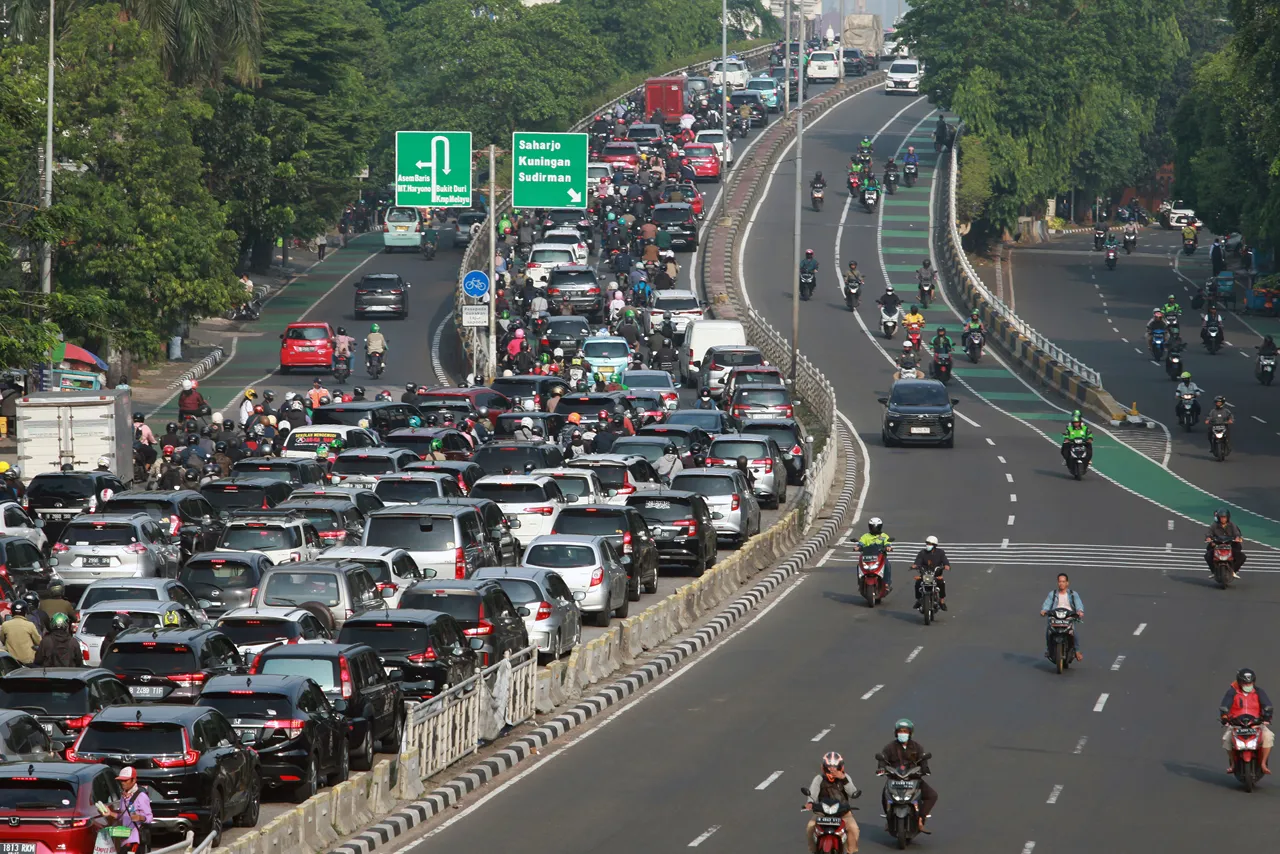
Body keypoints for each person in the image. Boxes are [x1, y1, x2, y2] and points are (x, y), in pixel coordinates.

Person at [876, 720, 937, 835]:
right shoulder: (890, 747)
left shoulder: (917, 747)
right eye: (900, 731)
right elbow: (883, 758)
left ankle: (920, 820)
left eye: (905, 731)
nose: (902, 733)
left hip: (913, 779)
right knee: (885, 796)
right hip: (895, 779)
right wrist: (881, 768)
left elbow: (923, 759)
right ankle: (889, 820)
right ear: (896, 733)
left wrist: (925, 769)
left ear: (910, 733)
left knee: (932, 795)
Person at [802, 752, 861, 854]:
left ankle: (851, 852)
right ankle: (813, 851)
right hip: (822, 813)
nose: (832, 769)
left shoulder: (845, 777)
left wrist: (843, 779)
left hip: (843, 813)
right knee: (810, 827)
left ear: (840, 767)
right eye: (829, 766)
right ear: (824, 767)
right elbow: (812, 794)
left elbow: (853, 792)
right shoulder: (819, 779)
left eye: (835, 766)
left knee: (854, 829)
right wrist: (810, 803)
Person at [1220, 668, 1273, 774]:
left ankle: (1263, 764)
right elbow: (1224, 706)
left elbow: (1267, 705)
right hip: (1237, 724)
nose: (1248, 685)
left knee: (1268, 736)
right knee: (1226, 739)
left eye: (1250, 682)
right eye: (1245, 683)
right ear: (1240, 682)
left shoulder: (1259, 692)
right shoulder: (1232, 692)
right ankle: (1233, 764)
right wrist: (1225, 718)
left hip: (1255, 724)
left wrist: (1267, 717)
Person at [104, 766, 153, 854]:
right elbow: (123, 817)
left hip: (135, 840)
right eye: (121, 780)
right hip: (125, 839)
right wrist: (110, 813)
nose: (123, 783)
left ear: (134, 780)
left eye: (125, 780)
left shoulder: (141, 796)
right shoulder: (123, 796)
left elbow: (149, 818)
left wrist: (140, 817)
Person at [1040, 572, 1083, 661]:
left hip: (1068, 617)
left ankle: (1077, 651)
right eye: (1060, 581)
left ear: (1067, 583)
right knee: (1049, 631)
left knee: (1073, 632)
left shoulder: (1073, 594)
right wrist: (1044, 610)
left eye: (1063, 581)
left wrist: (1079, 611)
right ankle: (1049, 649)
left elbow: (1079, 604)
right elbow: (1047, 604)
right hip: (1055, 617)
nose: (1061, 583)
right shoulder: (1053, 594)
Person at [912, 535, 949, 610]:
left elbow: (945, 560)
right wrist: (915, 565)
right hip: (925, 574)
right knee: (918, 583)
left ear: (934, 545)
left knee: (941, 583)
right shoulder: (922, 553)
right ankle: (919, 600)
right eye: (927, 543)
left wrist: (946, 565)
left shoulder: (940, 552)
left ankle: (941, 601)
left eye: (930, 544)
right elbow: (918, 561)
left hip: (936, 574)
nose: (928, 545)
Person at [1205, 507, 1246, 576]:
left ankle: (1234, 571)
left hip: (1230, 544)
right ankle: (1214, 571)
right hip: (1217, 545)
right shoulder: (1214, 525)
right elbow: (1209, 533)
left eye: (1224, 517)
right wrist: (1208, 538)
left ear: (1228, 518)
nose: (1223, 519)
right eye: (1221, 517)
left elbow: (1237, 533)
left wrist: (1237, 538)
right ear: (1218, 518)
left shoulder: (1232, 525)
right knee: (1208, 556)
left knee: (1242, 556)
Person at [0, 600, 41, 665]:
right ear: (25, 612)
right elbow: (39, 642)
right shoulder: (30, 625)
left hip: (12, 662)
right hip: (28, 661)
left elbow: (2, 640)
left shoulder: (5, 625)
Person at [857, 517, 892, 590]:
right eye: (872, 527)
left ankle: (886, 583)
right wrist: (858, 547)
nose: (874, 529)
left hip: (880, 557)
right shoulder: (865, 536)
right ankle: (860, 582)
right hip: (867, 557)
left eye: (876, 527)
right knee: (859, 566)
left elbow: (887, 543)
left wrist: (888, 547)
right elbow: (861, 543)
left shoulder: (884, 536)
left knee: (887, 565)